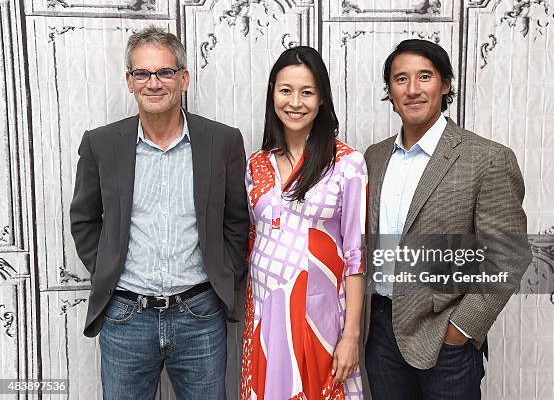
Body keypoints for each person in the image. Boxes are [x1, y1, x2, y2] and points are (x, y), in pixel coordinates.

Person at [69, 26, 249, 399]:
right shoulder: (101, 143)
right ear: (129, 81)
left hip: (200, 314)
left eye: (164, 72)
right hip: (125, 317)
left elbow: (237, 219)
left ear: (183, 78)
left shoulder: (223, 141)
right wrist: (107, 267)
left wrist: (224, 274)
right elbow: (84, 218)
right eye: (142, 73)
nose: (154, 83)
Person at [363, 39, 532, 399]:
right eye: (401, 79)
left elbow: (508, 256)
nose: (413, 89)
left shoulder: (487, 158)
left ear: (445, 85)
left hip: (445, 338)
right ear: (390, 92)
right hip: (381, 334)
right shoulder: (374, 158)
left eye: (425, 77)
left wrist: (461, 329)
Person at [240, 46, 367, 400]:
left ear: (322, 98)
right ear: (272, 93)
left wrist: (351, 334)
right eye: (286, 90)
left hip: (322, 319)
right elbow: (252, 240)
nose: (295, 102)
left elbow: (356, 256)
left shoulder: (347, 163)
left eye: (307, 92)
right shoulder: (255, 165)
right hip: (267, 313)